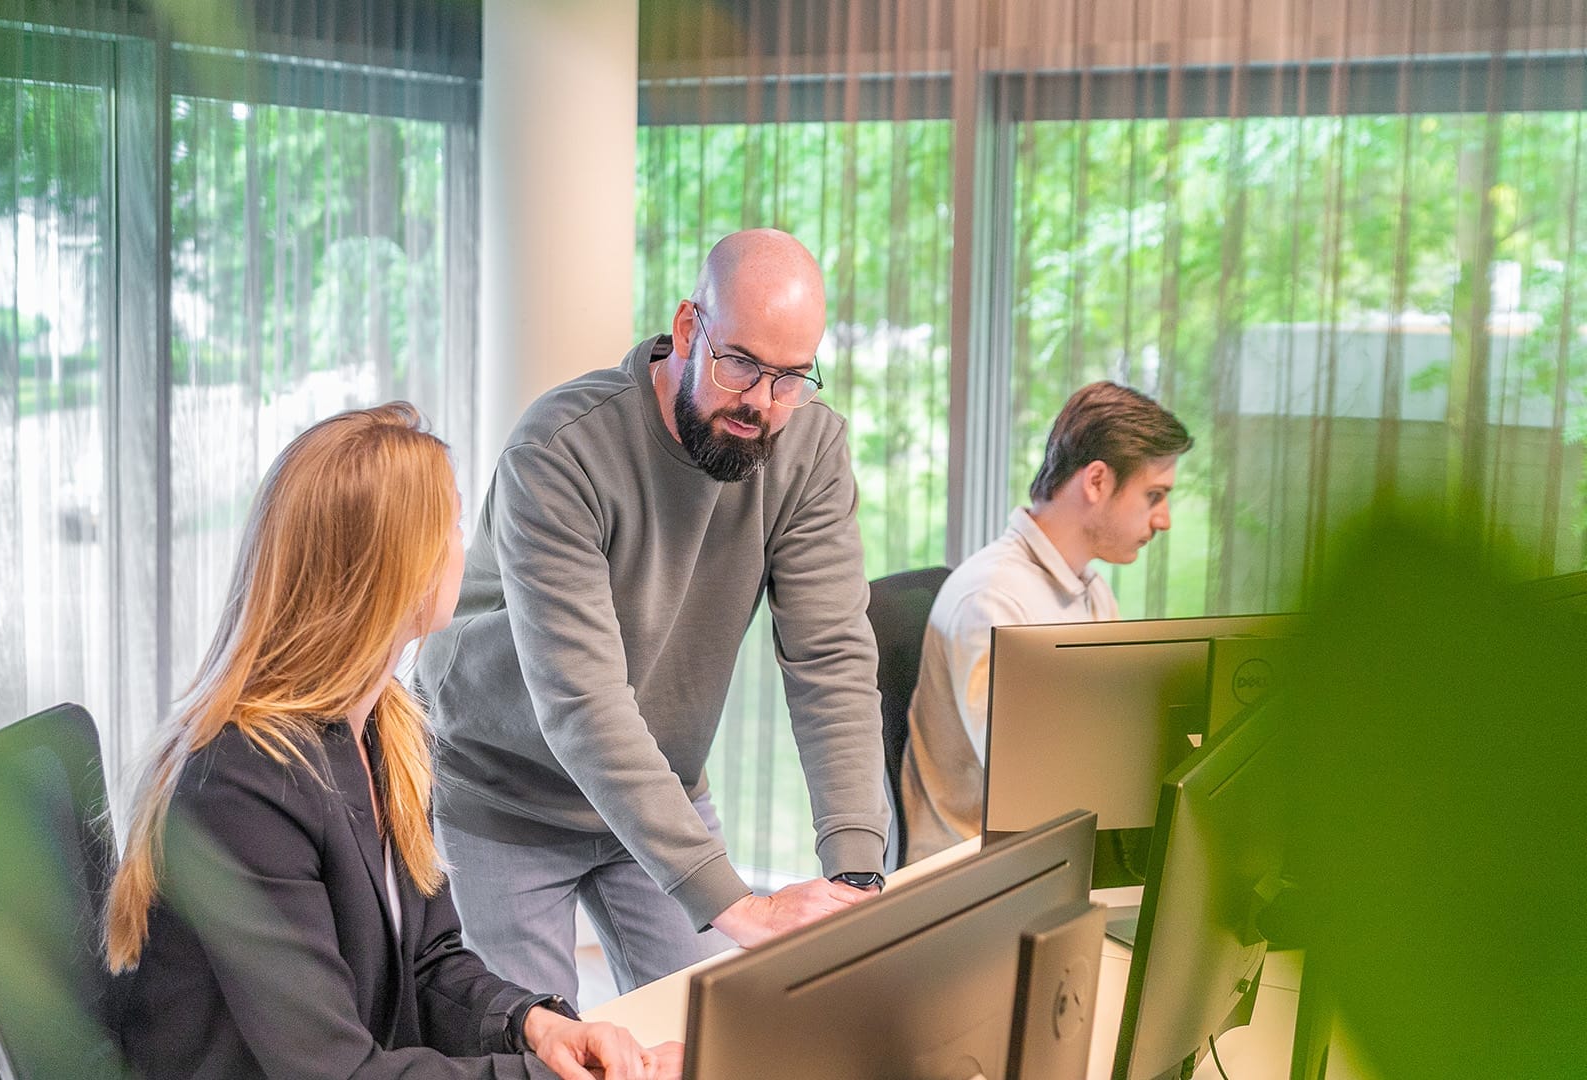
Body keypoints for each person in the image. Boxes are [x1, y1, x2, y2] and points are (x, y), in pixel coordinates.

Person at [102, 404, 678, 1080]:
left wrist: (535, 1027)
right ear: (396, 572)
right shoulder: (242, 784)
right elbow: (338, 1072)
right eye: (455, 524)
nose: (465, 544)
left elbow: (428, 963)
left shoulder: (381, 728)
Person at [415, 229, 889, 1006]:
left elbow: (830, 658)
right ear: (686, 328)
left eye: (792, 378)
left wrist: (857, 872)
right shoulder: (561, 448)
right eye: (741, 365)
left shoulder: (807, 448)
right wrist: (737, 903)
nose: (763, 404)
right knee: (530, 1052)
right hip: (504, 791)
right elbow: (582, 699)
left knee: (712, 1033)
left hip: (661, 782)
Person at [899, 381, 1192, 862]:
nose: (1164, 521)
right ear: (1097, 482)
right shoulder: (993, 600)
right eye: (1154, 495)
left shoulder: (1089, 590)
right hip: (978, 881)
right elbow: (1030, 789)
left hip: (1055, 858)